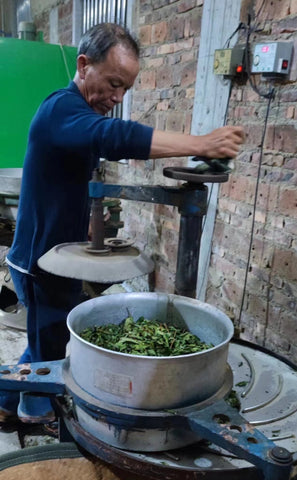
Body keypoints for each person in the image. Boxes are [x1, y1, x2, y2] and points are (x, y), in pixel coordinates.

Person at [2, 23, 244, 423]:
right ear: (83, 65)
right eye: (113, 84)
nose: (116, 98)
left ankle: (5, 403)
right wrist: (202, 143)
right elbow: (114, 136)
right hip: (39, 262)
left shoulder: (76, 113)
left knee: (46, 335)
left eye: (125, 90)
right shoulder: (61, 108)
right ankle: (36, 410)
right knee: (48, 348)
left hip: (58, 256)